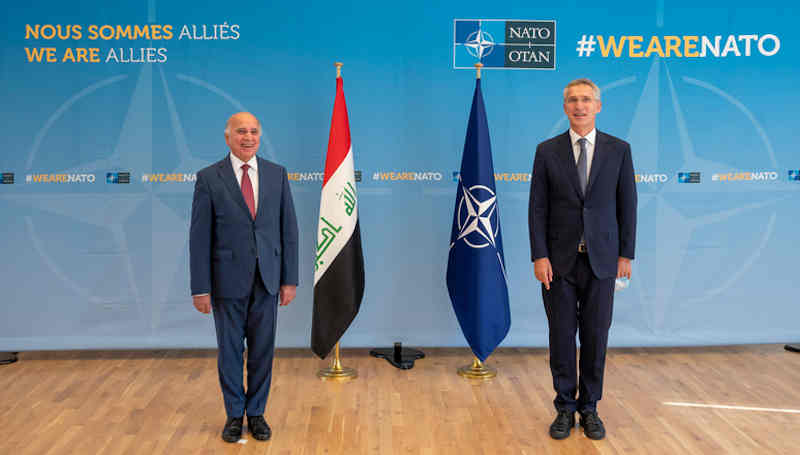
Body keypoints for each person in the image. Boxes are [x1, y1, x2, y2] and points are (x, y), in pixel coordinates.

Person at [528, 78, 637, 440]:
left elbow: (628, 205)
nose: (580, 106)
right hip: (558, 263)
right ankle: (564, 409)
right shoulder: (546, 151)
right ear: (565, 107)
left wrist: (626, 253)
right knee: (561, 338)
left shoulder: (619, 149)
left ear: (598, 106)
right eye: (573, 100)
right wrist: (539, 255)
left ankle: (590, 409)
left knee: (595, 338)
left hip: (603, 261)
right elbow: (537, 208)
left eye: (586, 99)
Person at [190, 112, 298, 443]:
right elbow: (199, 237)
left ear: (259, 137)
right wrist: (200, 288)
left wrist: (289, 279)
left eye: (253, 132)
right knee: (230, 352)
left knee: (263, 351)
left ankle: (258, 413)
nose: (247, 137)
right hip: (226, 283)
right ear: (227, 137)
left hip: (268, 279)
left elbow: (288, 230)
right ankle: (235, 415)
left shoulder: (277, 175)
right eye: (241, 132)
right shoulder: (209, 178)